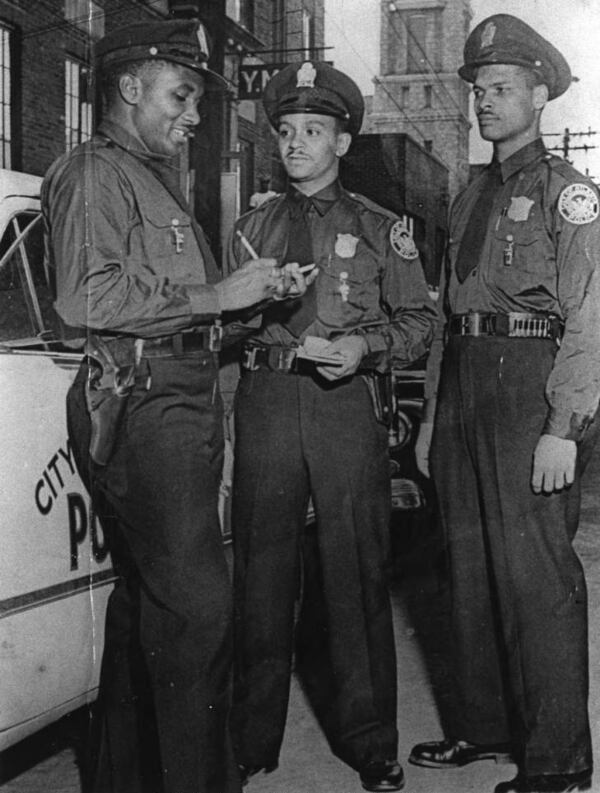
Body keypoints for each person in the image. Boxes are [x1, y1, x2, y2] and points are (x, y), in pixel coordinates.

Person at [42, 19, 309, 793]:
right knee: (197, 616)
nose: (193, 114)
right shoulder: (94, 173)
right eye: (181, 94)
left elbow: (173, 311)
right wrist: (216, 292)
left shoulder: (148, 179)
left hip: (172, 398)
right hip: (147, 406)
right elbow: (85, 297)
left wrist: (251, 302)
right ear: (128, 88)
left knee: (151, 609)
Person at [226, 60, 437, 792]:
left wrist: (365, 347)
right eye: (285, 131)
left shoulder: (380, 229)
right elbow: (223, 328)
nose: (295, 144)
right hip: (267, 403)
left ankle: (371, 743)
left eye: (313, 131)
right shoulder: (252, 227)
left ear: (342, 142)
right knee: (259, 573)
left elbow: (420, 322)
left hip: (344, 408)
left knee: (356, 572)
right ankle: (250, 741)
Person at [409, 14, 600, 793]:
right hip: (462, 382)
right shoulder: (465, 197)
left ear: (538, 94)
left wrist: (565, 425)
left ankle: (556, 757)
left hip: (531, 379)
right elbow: (447, 315)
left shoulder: (572, 195)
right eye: (478, 89)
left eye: (501, 88)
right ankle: (483, 729)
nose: (485, 101)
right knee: (468, 567)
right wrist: (428, 421)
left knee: (534, 575)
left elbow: (590, 314)